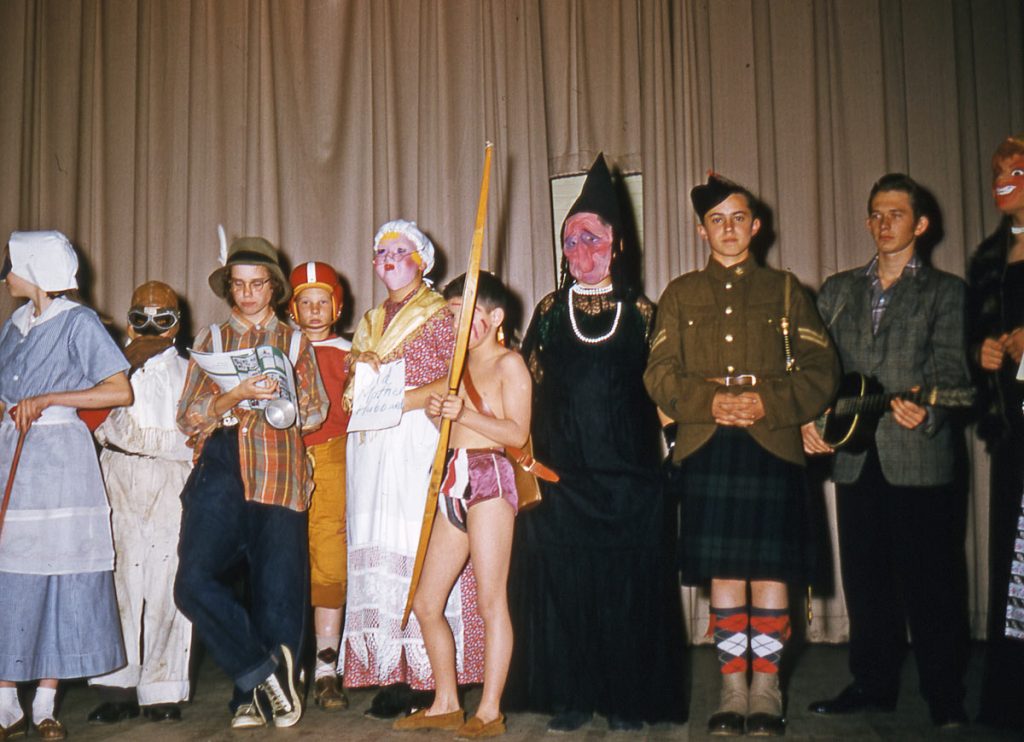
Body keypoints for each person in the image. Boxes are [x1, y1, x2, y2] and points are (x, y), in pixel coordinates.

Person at [645, 175, 840, 737]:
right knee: (726, 573)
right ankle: (734, 686)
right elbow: (658, 373)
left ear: (756, 226)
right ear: (701, 228)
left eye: (738, 218)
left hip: (772, 443)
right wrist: (711, 401)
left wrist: (767, 401)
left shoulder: (785, 290)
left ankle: (768, 687)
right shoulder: (680, 294)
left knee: (773, 572)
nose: (727, 229)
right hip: (709, 442)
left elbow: (821, 369)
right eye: (716, 220)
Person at [505, 154, 686, 732]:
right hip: (562, 482)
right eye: (570, 243)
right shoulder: (551, 313)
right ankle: (573, 696)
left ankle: (626, 698)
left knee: (627, 590)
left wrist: (679, 447)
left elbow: (663, 389)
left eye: (592, 240)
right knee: (565, 587)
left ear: (617, 245)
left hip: (630, 480)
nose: (580, 254)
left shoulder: (642, 313)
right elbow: (524, 385)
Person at [804, 173, 972, 728]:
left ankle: (944, 695)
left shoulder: (946, 293)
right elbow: (817, 371)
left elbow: (957, 379)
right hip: (856, 457)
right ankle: (872, 686)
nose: (883, 224)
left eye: (895, 214)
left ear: (920, 224)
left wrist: (931, 409)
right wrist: (812, 416)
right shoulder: (838, 289)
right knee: (866, 583)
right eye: (876, 213)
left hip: (920, 459)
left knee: (932, 586)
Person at [173, 235, 328, 730]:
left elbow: (318, 410)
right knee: (192, 582)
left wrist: (281, 399)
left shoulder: (297, 340)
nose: (247, 294)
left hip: (280, 465)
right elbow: (187, 416)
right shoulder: (209, 341)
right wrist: (233, 394)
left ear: (274, 287)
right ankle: (260, 672)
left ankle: (252, 697)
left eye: (257, 284)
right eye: (238, 285)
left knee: (278, 591)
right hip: (220, 462)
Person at [340, 220, 484, 718]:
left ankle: (431, 677)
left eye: (398, 251)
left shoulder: (439, 315)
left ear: (422, 261)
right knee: (380, 551)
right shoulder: (370, 321)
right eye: (379, 252)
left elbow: (457, 377)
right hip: (372, 450)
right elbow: (354, 392)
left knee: (415, 549)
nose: (387, 260)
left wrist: (409, 399)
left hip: (417, 443)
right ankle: (395, 670)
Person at [0, 230, 133, 741]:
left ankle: (47, 702)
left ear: (34, 268)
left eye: (10, 264)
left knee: (60, 574)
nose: (6, 274)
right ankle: (8, 698)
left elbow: (118, 391)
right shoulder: (14, 327)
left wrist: (50, 398)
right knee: (14, 576)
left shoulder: (77, 323)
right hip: (15, 455)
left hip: (62, 465)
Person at [393, 272, 531, 739]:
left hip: (490, 480)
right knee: (426, 602)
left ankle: (490, 710)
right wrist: (440, 418)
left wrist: (462, 413)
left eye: (468, 313)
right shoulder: (456, 370)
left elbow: (516, 433)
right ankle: (447, 701)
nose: (458, 323)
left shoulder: (510, 365)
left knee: (492, 600)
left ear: (495, 318)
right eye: (452, 315)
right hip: (453, 479)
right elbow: (440, 420)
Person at [86, 281, 193, 725]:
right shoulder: (109, 368)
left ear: (177, 325)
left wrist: (155, 443)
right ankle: (117, 686)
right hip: (119, 475)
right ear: (129, 320)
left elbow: (195, 433)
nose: (150, 327)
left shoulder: (191, 370)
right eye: (141, 318)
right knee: (119, 579)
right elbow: (95, 422)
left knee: (168, 579)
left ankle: (163, 688)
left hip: (171, 479)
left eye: (162, 319)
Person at [967, 133, 1024, 732]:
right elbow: (971, 344)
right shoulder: (987, 257)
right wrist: (978, 351)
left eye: (1017, 168)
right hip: (1013, 430)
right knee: (1013, 563)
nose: (1004, 176)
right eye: (997, 169)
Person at [288, 261, 352, 711]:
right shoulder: (280, 349)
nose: (314, 312)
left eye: (322, 302)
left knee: (329, 559)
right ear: (292, 308)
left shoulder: (351, 352)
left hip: (332, 456)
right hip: (284, 459)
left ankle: (328, 667)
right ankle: (290, 664)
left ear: (337, 305)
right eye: (305, 303)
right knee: (283, 562)